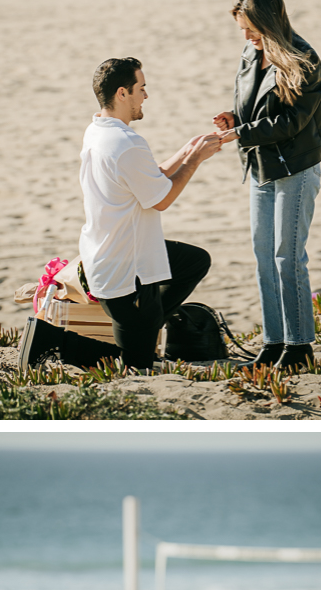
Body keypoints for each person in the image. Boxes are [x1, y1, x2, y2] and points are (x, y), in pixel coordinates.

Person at [19, 57, 222, 372]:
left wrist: (184, 152)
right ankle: (81, 338)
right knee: (136, 366)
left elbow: (145, 178)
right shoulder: (127, 143)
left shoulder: (98, 129)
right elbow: (162, 199)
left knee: (194, 261)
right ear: (122, 93)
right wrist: (195, 160)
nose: (146, 95)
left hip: (107, 255)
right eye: (141, 88)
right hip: (127, 271)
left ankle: (149, 320)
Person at [213, 0, 321, 370]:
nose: (245, 37)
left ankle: (299, 348)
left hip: (295, 169)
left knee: (287, 258)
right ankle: (273, 342)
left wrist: (242, 133)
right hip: (260, 167)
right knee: (264, 257)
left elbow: (292, 121)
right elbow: (249, 106)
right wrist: (234, 119)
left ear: (268, 22)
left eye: (250, 28)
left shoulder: (303, 60)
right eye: (242, 29)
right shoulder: (251, 53)